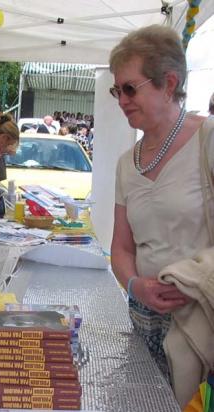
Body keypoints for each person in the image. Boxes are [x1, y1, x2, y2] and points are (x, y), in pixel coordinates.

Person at [109, 25, 213, 397]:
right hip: (144, 325)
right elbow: (121, 248)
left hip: (202, 329)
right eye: (116, 90)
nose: (121, 99)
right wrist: (137, 286)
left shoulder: (208, 141)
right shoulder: (126, 163)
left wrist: (193, 279)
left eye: (130, 88)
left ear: (169, 84)